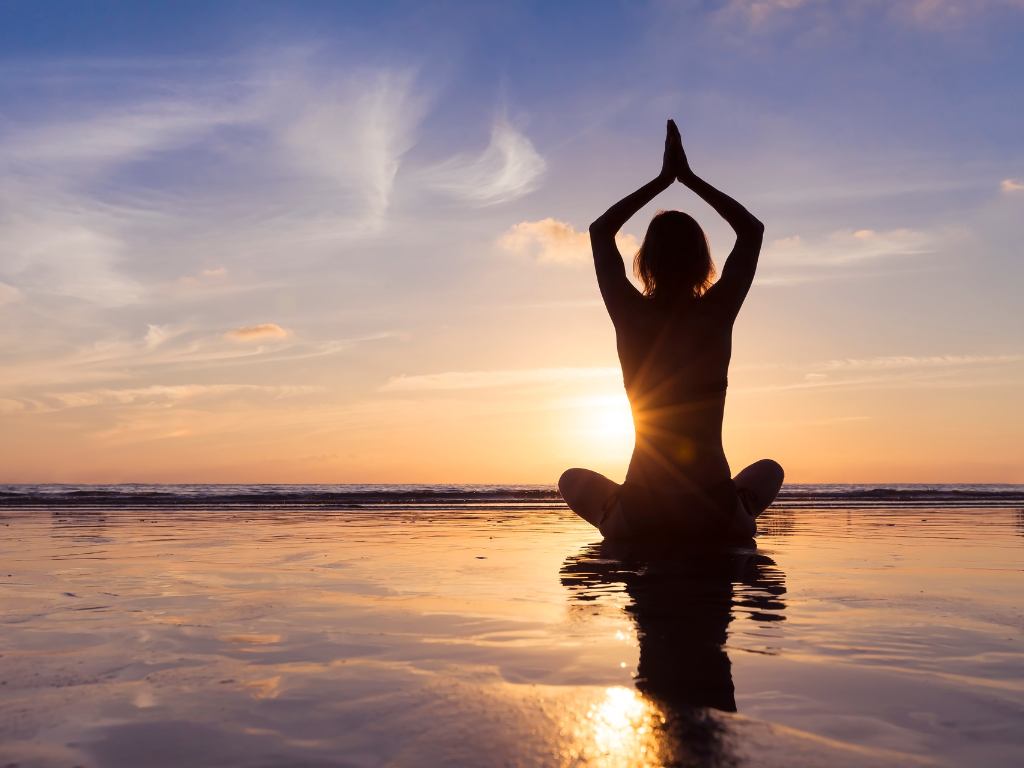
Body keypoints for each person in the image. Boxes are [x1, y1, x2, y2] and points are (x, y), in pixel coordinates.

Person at [558, 119, 784, 543]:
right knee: (769, 470)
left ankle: (614, 513)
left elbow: (600, 231)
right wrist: (689, 178)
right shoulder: (717, 312)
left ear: (645, 262)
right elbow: (751, 230)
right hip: (716, 514)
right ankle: (739, 510)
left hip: (641, 515)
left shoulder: (629, 313)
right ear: (703, 263)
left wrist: (663, 180)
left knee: (571, 478)